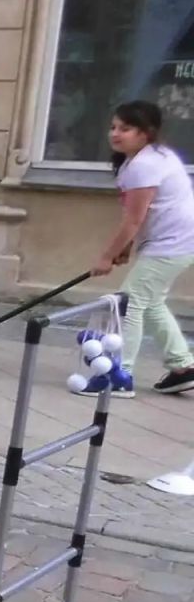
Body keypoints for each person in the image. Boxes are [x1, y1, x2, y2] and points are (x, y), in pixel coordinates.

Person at [85, 101, 194, 397]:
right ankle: (182, 366)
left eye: (126, 128)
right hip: (177, 242)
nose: (116, 134)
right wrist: (126, 248)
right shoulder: (153, 157)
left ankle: (121, 375)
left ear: (146, 133)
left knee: (129, 304)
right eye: (113, 127)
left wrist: (107, 256)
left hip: (172, 243)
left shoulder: (144, 165)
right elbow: (143, 216)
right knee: (151, 302)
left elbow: (134, 219)